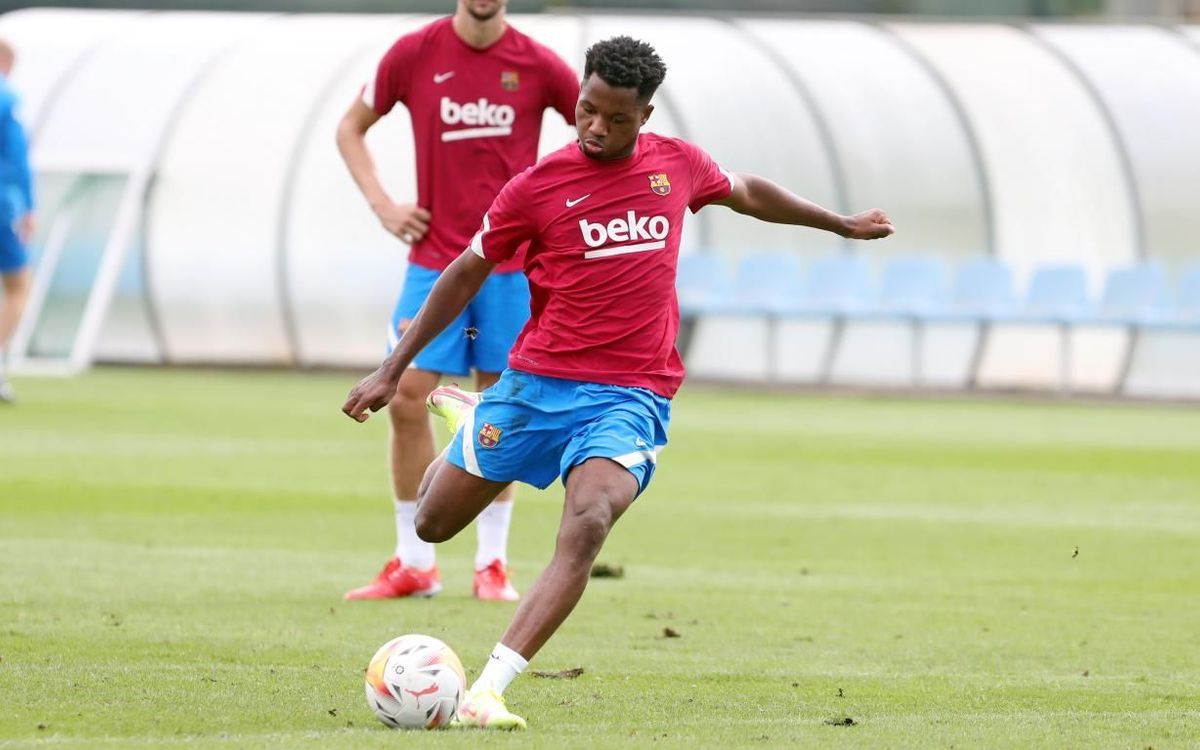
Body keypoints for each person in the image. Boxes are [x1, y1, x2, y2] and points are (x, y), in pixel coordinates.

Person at [342, 36, 894, 729]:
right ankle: (472, 414)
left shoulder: (678, 168)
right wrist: (393, 370)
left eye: (615, 118)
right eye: (586, 111)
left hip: (631, 395)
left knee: (590, 518)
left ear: (646, 115)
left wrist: (836, 223)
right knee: (433, 521)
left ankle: (489, 688)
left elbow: (745, 190)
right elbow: (465, 270)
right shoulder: (537, 187)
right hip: (536, 385)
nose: (597, 128)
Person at [335, 0, 579, 601]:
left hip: (513, 266)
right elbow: (350, 128)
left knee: (503, 410)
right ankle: (414, 561)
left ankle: (491, 565)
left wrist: (564, 213)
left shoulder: (541, 65)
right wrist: (383, 205)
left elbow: (598, 134)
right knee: (406, 398)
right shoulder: (413, 54)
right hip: (434, 260)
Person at [0, 39, 35, 405]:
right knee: (17, 286)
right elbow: (17, 157)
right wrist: (29, 206)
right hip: (1, 204)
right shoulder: (7, 99)